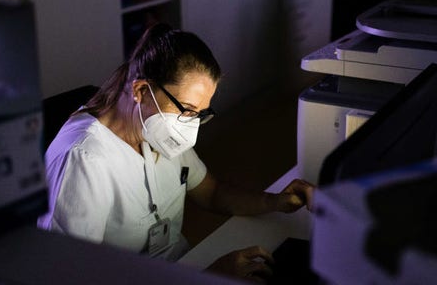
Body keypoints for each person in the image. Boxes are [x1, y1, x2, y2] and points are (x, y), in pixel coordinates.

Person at [38, 23, 314, 282]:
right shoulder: (84, 159)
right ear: (141, 91)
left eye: (200, 113)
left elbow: (211, 192)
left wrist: (275, 202)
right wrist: (210, 276)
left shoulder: (154, 129)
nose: (191, 126)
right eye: (188, 110)